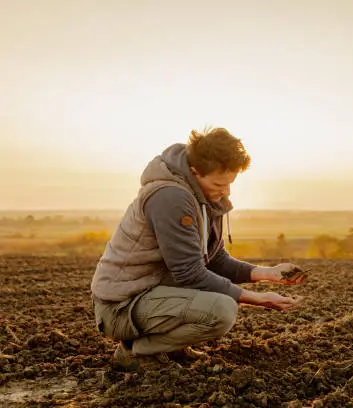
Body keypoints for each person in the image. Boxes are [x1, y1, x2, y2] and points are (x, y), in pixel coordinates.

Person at [90, 126, 306, 371]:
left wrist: (267, 273)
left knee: (216, 298)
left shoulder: (205, 198)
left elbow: (216, 259)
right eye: (218, 183)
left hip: (148, 295)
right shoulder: (170, 197)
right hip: (120, 306)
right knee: (221, 309)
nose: (226, 192)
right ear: (195, 172)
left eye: (230, 183)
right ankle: (134, 353)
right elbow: (189, 273)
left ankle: (171, 347)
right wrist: (257, 299)